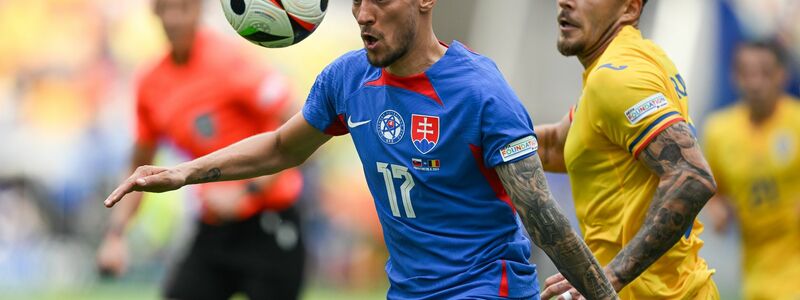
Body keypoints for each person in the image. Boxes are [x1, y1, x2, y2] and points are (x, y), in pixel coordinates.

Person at [104, 0, 619, 299]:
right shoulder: (349, 78)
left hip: (485, 288)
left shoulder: (482, 92)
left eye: (379, 0)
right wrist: (183, 174)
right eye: (356, 2)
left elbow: (543, 219)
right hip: (408, 291)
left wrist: (603, 294)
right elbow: (283, 147)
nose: (363, 15)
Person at [95, 0, 306, 299]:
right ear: (154, 12)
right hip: (213, 227)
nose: (173, 18)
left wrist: (248, 192)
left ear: (199, 9)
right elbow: (138, 166)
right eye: (165, 8)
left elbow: (301, 125)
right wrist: (115, 236)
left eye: (182, 8)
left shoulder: (231, 61)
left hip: (269, 222)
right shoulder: (151, 83)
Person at [536, 0, 720, 299]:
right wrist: (477, 139)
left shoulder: (616, 77)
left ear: (630, 9)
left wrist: (607, 277)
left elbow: (692, 176)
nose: (565, 2)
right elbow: (557, 147)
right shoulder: (641, 57)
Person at [703, 41, 800, 300]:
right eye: (747, 73)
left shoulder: (797, 122)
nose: (755, 83)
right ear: (735, 77)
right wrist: (718, 209)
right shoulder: (718, 132)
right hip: (755, 270)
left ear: (782, 75)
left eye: (765, 73)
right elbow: (714, 190)